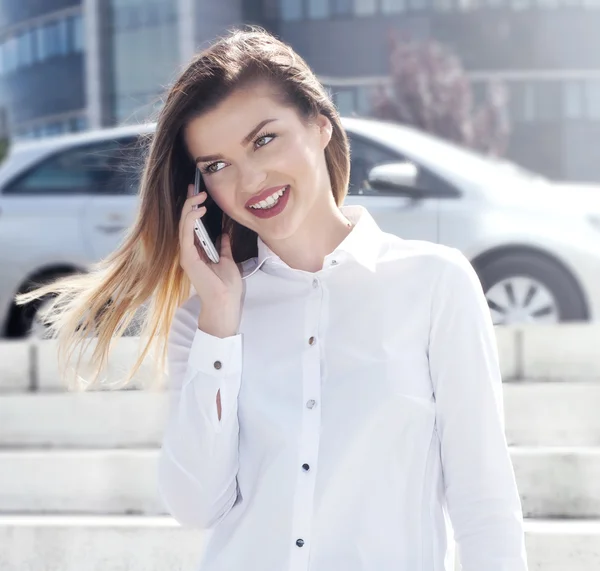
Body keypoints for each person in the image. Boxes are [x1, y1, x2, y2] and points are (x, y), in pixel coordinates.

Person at [16, 26, 529, 571]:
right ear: (199, 189)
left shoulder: (434, 284)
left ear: (320, 125)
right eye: (216, 165)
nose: (250, 179)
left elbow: (485, 506)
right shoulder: (206, 321)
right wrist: (220, 323)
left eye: (264, 140)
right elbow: (194, 505)